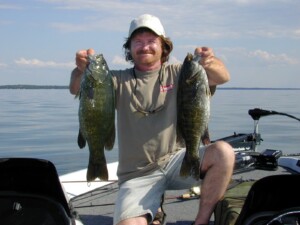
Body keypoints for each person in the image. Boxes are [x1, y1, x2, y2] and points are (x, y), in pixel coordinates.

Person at [69, 14, 235, 225]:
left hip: (178, 160)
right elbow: (76, 87)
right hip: (137, 175)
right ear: (129, 48)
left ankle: (201, 221)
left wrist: (209, 60)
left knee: (224, 152)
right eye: (138, 41)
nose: (144, 46)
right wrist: (80, 69)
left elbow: (222, 76)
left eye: (151, 41)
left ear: (163, 45)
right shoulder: (115, 80)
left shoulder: (181, 73)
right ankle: (153, 211)